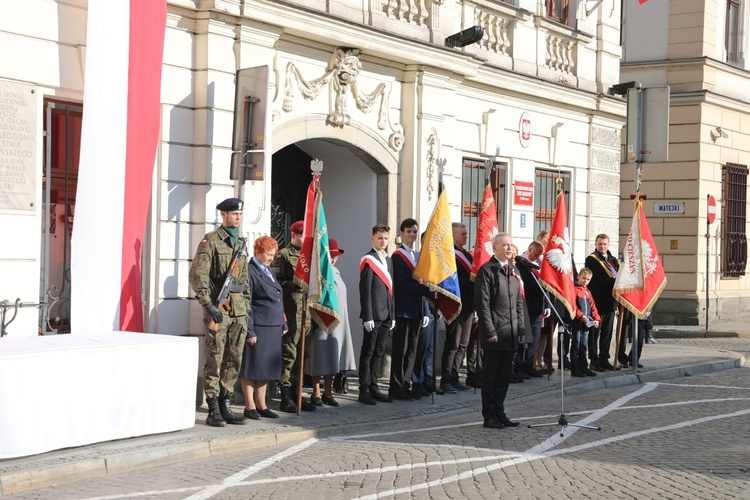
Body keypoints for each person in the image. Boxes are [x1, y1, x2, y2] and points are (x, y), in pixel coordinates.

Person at [189, 197, 250, 427]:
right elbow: (198, 276)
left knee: (234, 359)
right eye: (234, 213)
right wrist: (209, 305)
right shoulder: (211, 241)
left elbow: (244, 281)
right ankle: (213, 407)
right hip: (219, 311)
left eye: (240, 214)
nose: (238, 217)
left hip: (239, 312)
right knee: (215, 359)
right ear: (223, 215)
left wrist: (247, 307)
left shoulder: (241, 243)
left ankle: (226, 403)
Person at [474, 233, 525, 429]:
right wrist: (489, 330)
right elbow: (483, 304)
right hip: (494, 332)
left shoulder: (512, 270)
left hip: (510, 333)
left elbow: (518, 302)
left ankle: (500, 412)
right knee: (490, 376)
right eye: (505, 245)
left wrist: (520, 328)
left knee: (504, 376)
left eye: (511, 245)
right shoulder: (487, 271)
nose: (509, 248)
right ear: (495, 248)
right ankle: (489, 415)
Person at [239, 236, 287, 420]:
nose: (271, 258)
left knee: (265, 368)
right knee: (252, 367)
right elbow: (247, 303)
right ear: (257, 252)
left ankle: (262, 404)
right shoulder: (250, 271)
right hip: (258, 326)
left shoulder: (268, 271)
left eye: (273, 255)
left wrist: (283, 322)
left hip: (273, 326)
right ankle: (249, 405)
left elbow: (277, 298)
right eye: (268, 254)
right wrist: (250, 330)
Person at [305, 238, 357, 407]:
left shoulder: (336, 273)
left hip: (337, 323)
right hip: (321, 321)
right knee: (318, 358)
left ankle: (328, 392)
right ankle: (316, 392)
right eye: (331, 256)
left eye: (335, 256)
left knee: (333, 358)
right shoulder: (318, 273)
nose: (333, 259)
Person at [272, 220, 317, 413]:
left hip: (306, 312)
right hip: (291, 311)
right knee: (289, 354)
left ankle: (298, 392)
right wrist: (296, 284)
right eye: (300, 236)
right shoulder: (283, 255)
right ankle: (285, 395)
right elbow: (276, 282)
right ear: (293, 235)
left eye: (305, 236)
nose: (303, 239)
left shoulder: (311, 256)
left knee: (302, 354)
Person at [389, 219, 431, 401]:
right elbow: (402, 283)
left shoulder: (418, 255)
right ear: (402, 233)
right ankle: (396, 386)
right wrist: (425, 290)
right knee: (401, 349)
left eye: (414, 232)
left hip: (417, 309)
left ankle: (406, 383)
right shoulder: (398, 256)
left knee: (412, 351)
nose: (412, 235)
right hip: (403, 309)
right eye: (408, 232)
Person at [358, 224, 396, 405]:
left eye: (386, 238)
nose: (383, 241)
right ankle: (363, 389)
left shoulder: (388, 261)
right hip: (373, 315)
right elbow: (365, 291)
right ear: (373, 238)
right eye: (380, 238)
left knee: (379, 353)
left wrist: (393, 315)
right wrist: (367, 316)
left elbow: (391, 290)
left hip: (387, 315)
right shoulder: (368, 259)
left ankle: (374, 386)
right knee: (368, 352)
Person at [440, 223, 474, 394]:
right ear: (452, 236)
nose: (466, 236)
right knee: (452, 343)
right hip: (455, 304)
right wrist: (470, 279)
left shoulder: (467, 255)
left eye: (466, 233)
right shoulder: (449, 255)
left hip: (468, 306)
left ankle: (455, 377)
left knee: (463, 343)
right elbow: (451, 280)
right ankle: (445, 380)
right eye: (462, 233)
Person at [585, 233, 620, 371]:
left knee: (607, 333)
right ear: (596, 244)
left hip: (610, 303)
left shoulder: (613, 260)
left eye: (605, 244)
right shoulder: (591, 259)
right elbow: (597, 279)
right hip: (597, 302)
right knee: (595, 333)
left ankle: (604, 358)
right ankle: (594, 360)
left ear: (608, 245)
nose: (602, 246)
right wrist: (614, 282)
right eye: (600, 244)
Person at [514, 241, 545, 379]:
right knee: (525, 339)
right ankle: (520, 367)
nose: (537, 257)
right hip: (527, 306)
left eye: (539, 255)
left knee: (535, 338)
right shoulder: (522, 264)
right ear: (530, 249)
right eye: (536, 253)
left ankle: (529, 364)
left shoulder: (539, 265)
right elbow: (526, 284)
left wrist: (547, 306)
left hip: (539, 306)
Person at [570, 267, 600, 377]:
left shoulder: (588, 292)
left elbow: (593, 307)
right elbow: (573, 305)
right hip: (578, 321)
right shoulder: (574, 289)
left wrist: (596, 319)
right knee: (576, 344)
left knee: (584, 345)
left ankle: (584, 367)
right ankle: (575, 368)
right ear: (578, 276)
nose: (585, 281)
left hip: (587, 323)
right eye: (584, 278)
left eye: (588, 280)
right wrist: (580, 315)